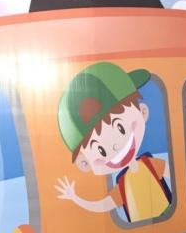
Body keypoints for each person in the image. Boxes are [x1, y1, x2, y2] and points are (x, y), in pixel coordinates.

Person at [55, 61, 172, 223]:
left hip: (167, 219)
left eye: (120, 127)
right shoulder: (122, 184)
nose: (116, 146)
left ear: (143, 112)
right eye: (101, 150)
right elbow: (104, 205)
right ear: (85, 163)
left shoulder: (151, 164)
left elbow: (177, 176)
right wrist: (75, 198)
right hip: (142, 229)